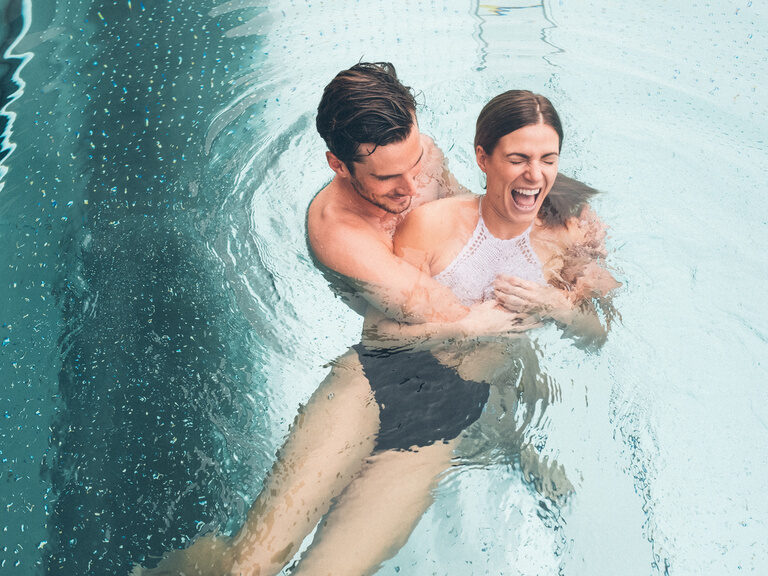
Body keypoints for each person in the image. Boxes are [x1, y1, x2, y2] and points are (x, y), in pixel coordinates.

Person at [136, 65, 615, 576]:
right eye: (387, 177)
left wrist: (565, 234)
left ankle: (504, 438)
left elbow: (473, 219)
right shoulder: (340, 233)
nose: (410, 186)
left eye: (414, 162)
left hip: (445, 411)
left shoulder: (418, 155)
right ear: (339, 166)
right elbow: (447, 315)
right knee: (248, 567)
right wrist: (542, 286)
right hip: (371, 379)